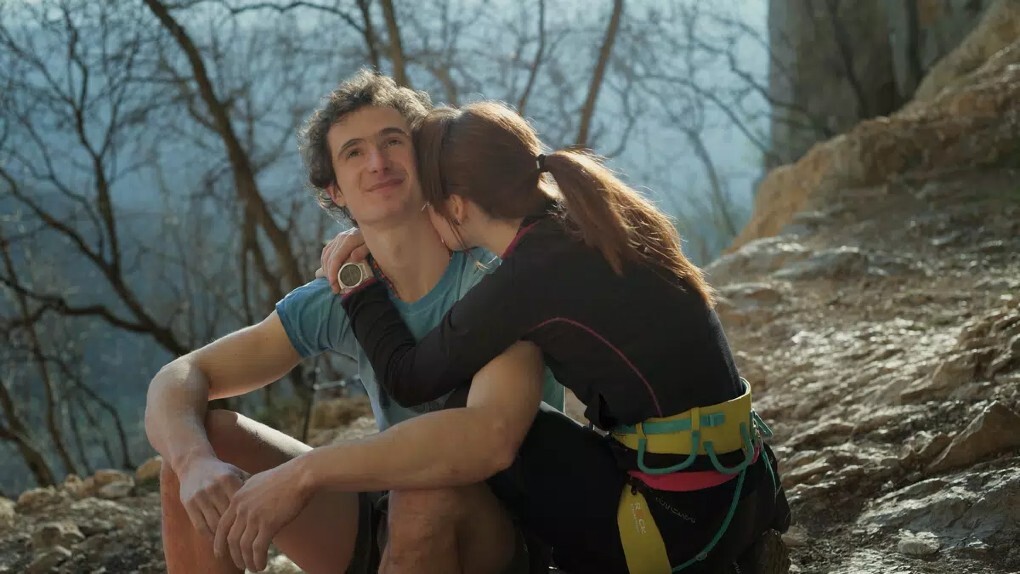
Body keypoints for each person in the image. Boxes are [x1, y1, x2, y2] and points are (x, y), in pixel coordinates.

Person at [332, 101, 792, 573]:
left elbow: (407, 377)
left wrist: (357, 285)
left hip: (677, 527)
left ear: (456, 205)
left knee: (469, 413)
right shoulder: (594, 219)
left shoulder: (528, 278)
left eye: (430, 203)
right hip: (746, 484)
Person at [145, 71, 563, 574]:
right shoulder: (346, 293)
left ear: (425, 158)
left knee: (422, 497)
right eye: (354, 152)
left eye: (393, 142)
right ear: (335, 190)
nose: (378, 162)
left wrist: (306, 473)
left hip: (508, 532)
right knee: (197, 441)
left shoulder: (491, 276)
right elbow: (181, 374)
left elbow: (490, 440)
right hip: (393, 515)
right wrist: (194, 462)